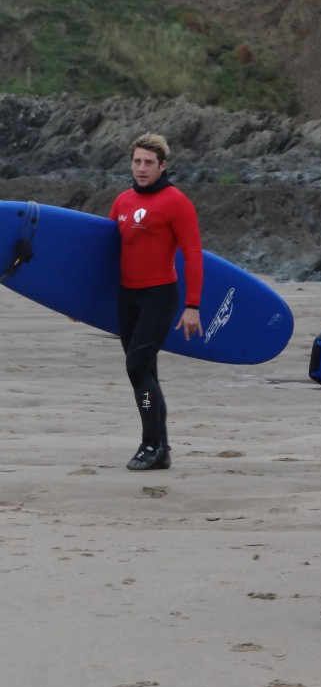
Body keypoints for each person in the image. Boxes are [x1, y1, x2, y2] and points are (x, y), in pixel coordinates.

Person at [109, 133, 203, 471]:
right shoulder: (121, 202)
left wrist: (192, 306)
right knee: (145, 371)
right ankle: (160, 449)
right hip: (126, 296)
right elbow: (108, 255)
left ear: (163, 166)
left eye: (149, 162)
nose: (142, 168)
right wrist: (81, 301)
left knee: (136, 368)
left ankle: (151, 444)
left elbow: (193, 255)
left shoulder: (176, 202)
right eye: (137, 161)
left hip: (159, 296)